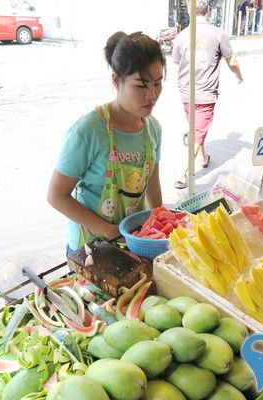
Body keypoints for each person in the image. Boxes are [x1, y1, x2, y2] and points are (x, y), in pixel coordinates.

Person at [47, 31, 165, 253]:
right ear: (116, 81)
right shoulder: (89, 130)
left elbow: (152, 183)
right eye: (141, 85)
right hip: (90, 248)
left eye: (157, 83)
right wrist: (107, 229)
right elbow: (56, 195)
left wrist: (162, 222)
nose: (152, 95)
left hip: (133, 242)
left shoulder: (153, 130)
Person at [172, 0, 243, 189]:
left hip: (186, 92)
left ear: (189, 11)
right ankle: (184, 174)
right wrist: (239, 76)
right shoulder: (218, 33)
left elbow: (177, 65)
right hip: (205, 94)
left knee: (196, 130)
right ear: (208, 10)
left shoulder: (182, 36)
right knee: (197, 133)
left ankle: (204, 157)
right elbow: (232, 61)